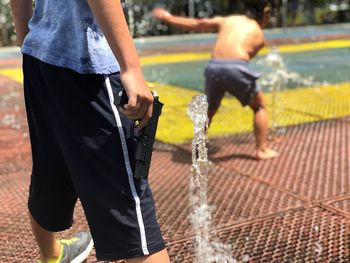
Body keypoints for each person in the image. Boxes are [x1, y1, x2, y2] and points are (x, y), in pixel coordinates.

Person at [10, 0, 170, 262]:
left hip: (40, 57)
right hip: (87, 66)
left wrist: (31, 40)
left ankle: (52, 256)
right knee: (129, 206)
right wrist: (131, 67)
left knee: (51, 168)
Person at [153, 0, 278, 160]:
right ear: (264, 14)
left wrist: (167, 17)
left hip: (213, 67)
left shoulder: (228, 20)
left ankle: (197, 149)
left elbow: (197, 24)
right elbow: (241, 62)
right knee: (260, 107)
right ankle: (262, 150)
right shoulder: (260, 36)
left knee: (210, 111)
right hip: (235, 67)